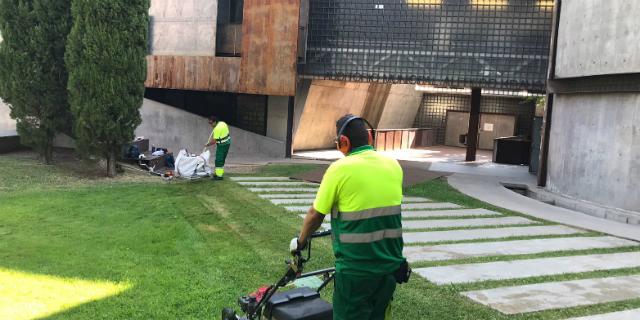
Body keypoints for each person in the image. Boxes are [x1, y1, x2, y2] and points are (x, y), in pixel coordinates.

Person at [290, 114, 408, 320]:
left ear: (343, 142)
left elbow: (315, 215)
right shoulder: (394, 166)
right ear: (370, 138)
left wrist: (300, 243)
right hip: (391, 268)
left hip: (356, 271)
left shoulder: (340, 169)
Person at [205, 116, 231, 180]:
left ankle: (219, 176)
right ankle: (218, 173)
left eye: (211, 123)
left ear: (215, 122)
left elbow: (214, 141)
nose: (210, 125)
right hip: (227, 143)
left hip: (222, 145)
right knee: (222, 160)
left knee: (219, 160)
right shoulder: (222, 123)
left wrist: (207, 144)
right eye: (209, 123)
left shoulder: (217, 129)